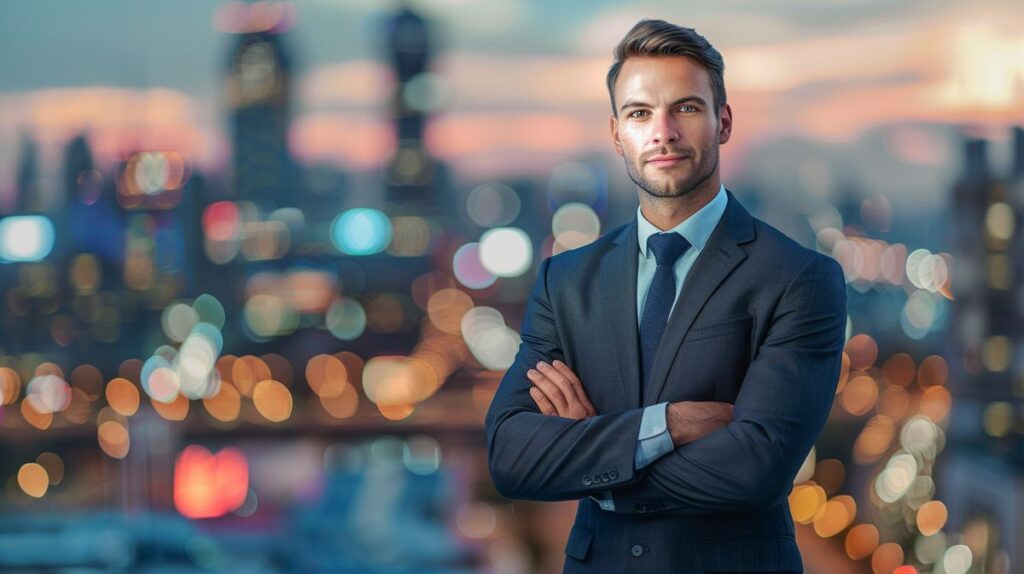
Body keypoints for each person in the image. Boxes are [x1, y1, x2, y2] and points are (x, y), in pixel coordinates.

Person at [484, 19, 848, 573]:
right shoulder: (567, 281)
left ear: (722, 122)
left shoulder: (799, 278)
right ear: (616, 134)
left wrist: (592, 456)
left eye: (686, 108)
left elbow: (758, 467)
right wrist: (669, 425)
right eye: (639, 113)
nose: (663, 132)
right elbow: (512, 456)